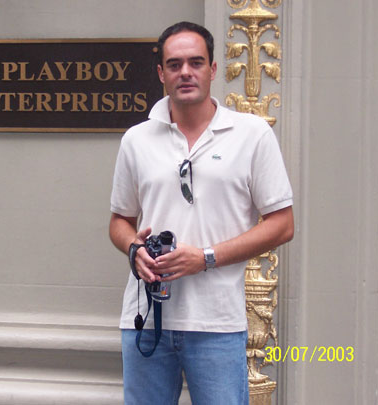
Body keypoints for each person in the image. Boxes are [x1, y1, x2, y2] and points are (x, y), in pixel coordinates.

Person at [109, 21, 294, 404]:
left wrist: (205, 257)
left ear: (213, 69)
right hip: (146, 319)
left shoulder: (252, 134)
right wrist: (134, 249)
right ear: (161, 73)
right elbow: (119, 222)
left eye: (196, 62)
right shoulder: (137, 139)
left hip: (217, 323)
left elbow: (282, 224)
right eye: (174, 64)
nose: (185, 72)